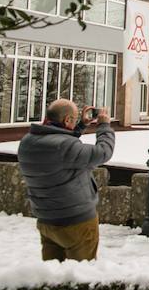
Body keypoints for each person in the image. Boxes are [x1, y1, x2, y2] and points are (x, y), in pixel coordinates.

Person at [18, 98, 115, 261]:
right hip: (76, 222)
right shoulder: (65, 148)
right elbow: (103, 152)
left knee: (54, 276)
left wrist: (81, 126)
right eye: (74, 119)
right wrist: (104, 126)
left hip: (47, 222)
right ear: (67, 120)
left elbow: (60, 146)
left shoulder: (27, 142)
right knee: (80, 274)